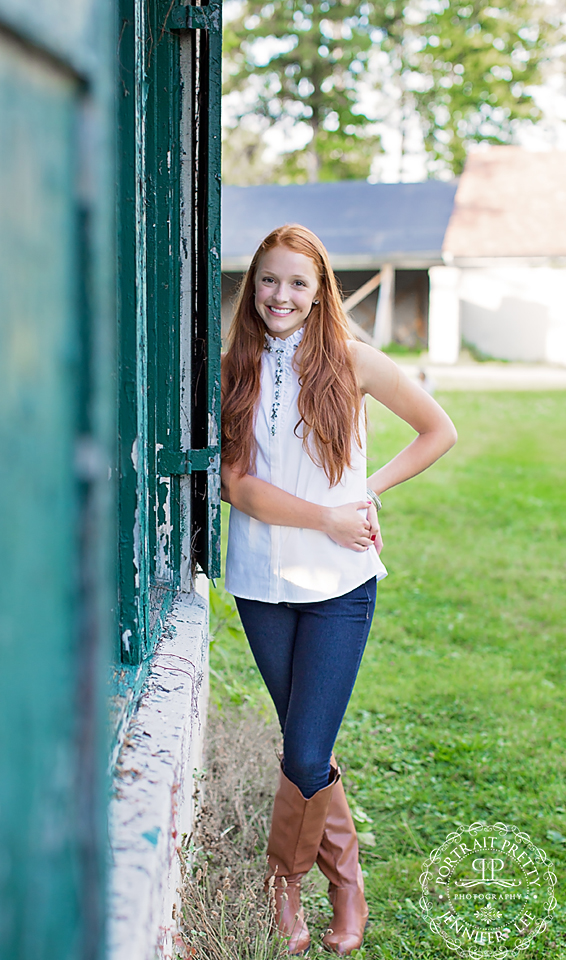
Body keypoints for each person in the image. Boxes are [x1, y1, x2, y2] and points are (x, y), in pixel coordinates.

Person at [220, 225, 457, 955]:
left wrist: (367, 492)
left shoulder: (353, 361)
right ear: (251, 285)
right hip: (261, 582)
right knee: (305, 745)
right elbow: (238, 487)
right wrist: (326, 513)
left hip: (340, 585)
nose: (280, 295)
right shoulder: (235, 365)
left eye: (297, 282)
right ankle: (344, 877)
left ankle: (294, 884)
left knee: (306, 746)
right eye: (268, 280)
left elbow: (435, 431)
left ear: (320, 288)